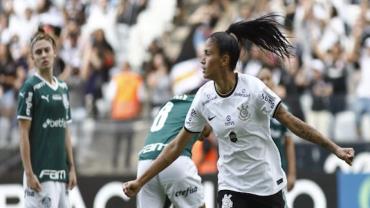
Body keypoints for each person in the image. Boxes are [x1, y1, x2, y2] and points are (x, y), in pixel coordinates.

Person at [123, 14, 354, 208]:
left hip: (267, 184)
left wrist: (334, 148)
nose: (202, 60)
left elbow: (293, 123)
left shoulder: (253, 89)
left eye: (208, 54)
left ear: (224, 60)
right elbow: (175, 146)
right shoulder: (203, 97)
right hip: (231, 187)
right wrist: (140, 181)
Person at [17, 28, 77, 208]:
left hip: (61, 173)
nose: (43, 55)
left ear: (54, 52)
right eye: (38, 52)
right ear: (32, 57)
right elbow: (23, 132)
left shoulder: (63, 88)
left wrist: (72, 167)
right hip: (39, 174)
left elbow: (65, 130)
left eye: (47, 50)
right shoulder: (30, 87)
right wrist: (28, 172)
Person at [136, 93, 210, 208]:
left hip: (145, 164)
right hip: (174, 160)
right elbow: (207, 128)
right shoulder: (200, 103)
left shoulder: (171, 104)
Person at [257, 68, 296, 192]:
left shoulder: (283, 110)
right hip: (257, 170)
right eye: (261, 79)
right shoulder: (252, 109)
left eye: (268, 78)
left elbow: (289, 143)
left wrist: (292, 174)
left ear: (274, 82)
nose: (265, 82)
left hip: (278, 169)